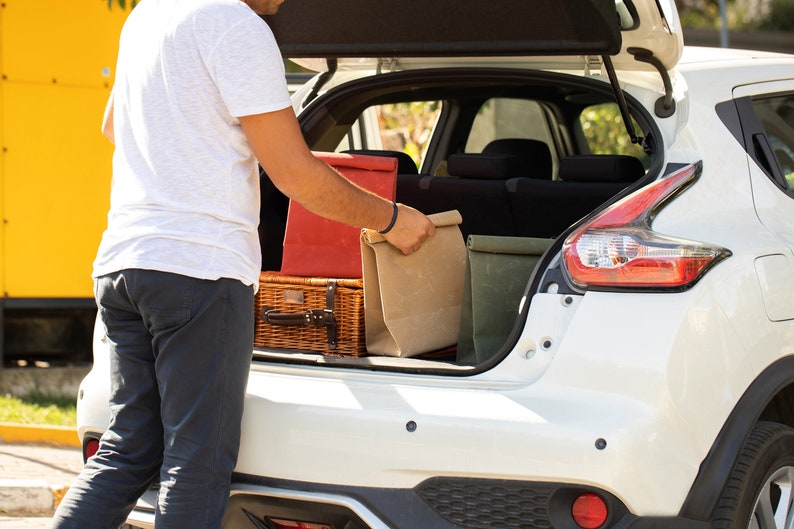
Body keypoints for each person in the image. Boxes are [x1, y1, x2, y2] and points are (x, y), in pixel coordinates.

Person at [50, 0, 435, 528]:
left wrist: (193, 146)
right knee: (197, 462)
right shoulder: (236, 25)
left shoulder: (147, 16)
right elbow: (295, 175)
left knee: (125, 453)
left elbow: (113, 127)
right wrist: (389, 219)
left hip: (124, 263)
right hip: (198, 270)